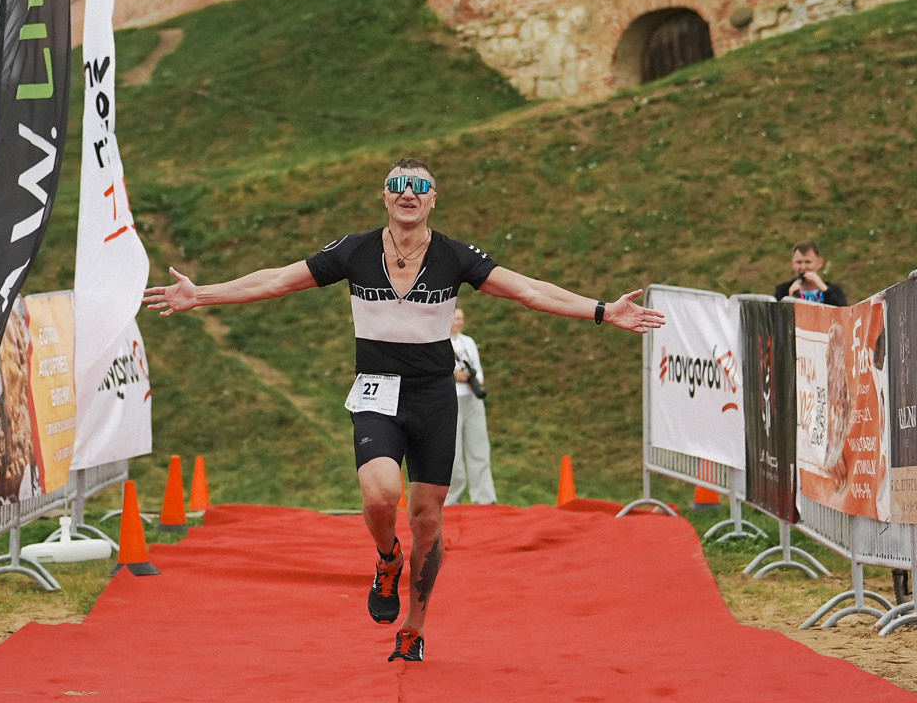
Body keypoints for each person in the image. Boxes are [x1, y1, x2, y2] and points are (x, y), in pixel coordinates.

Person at [143, 156, 662, 663]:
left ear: (434, 199)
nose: (408, 192)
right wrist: (201, 295)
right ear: (385, 196)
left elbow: (526, 290)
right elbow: (276, 280)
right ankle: (387, 558)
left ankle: (413, 626)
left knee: (428, 521)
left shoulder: (456, 256)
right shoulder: (354, 251)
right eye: (398, 185)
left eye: (419, 185)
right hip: (376, 389)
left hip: (434, 396)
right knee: (380, 495)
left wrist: (601, 310)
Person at [448, 304, 494, 505]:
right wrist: (453, 376)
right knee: (453, 452)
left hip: (472, 399)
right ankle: (450, 499)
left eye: (461, 318)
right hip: (451, 400)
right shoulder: (439, 343)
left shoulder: (469, 342)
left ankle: (484, 498)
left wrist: (473, 380)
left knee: (479, 448)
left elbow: (479, 373)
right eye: (456, 318)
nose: (460, 322)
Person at [775, 240, 848, 305]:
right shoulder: (783, 290)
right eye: (799, 262)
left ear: (819, 263)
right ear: (793, 263)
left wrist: (824, 289)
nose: (803, 267)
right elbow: (776, 318)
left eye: (808, 262)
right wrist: (789, 298)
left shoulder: (834, 290)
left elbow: (843, 314)